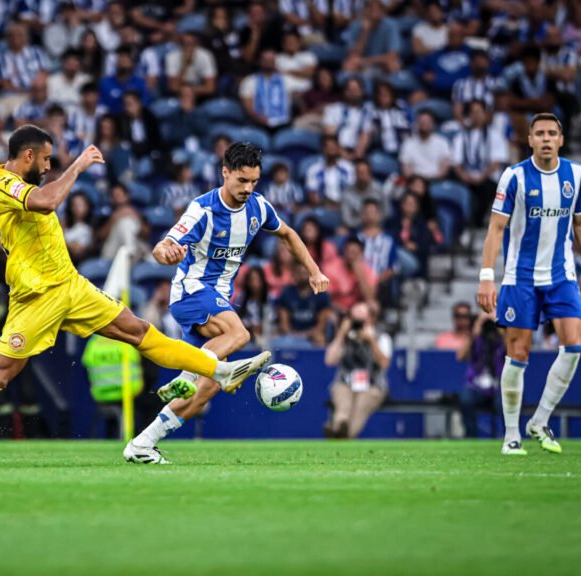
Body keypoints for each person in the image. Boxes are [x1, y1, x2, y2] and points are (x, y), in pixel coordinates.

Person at [0, 127, 271, 466]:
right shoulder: (4, 184)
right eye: (45, 159)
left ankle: (219, 370)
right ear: (28, 155)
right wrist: (77, 165)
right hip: (36, 297)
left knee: (139, 331)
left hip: (70, 286)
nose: (48, 167)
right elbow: (46, 201)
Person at [123, 142, 329, 464]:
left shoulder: (258, 208)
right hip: (191, 291)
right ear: (225, 173)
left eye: (254, 181)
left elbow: (288, 234)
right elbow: (163, 246)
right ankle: (186, 376)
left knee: (207, 389)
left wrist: (314, 271)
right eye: (242, 180)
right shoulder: (202, 210)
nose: (248, 188)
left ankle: (142, 444)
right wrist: (166, 254)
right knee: (240, 334)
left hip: (216, 298)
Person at [478, 112, 581, 456]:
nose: (546, 139)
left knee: (573, 347)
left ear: (561, 140)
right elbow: (496, 229)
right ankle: (511, 436)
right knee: (518, 354)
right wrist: (487, 277)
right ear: (530, 140)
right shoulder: (514, 176)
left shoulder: (576, 174)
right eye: (540, 134)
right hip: (520, 277)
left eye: (552, 133)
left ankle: (540, 420)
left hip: (562, 275)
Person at [324, 301, 392, 439]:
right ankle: (340, 426)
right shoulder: (344, 338)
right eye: (355, 320)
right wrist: (341, 334)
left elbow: (384, 364)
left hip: (372, 385)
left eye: (361, 320)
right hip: (345, 383)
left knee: (360, 407)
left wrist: (371, 341)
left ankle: (340, 432)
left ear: (371, 319)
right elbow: (329, 360)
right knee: (343, 405)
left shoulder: (381, 338)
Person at [457, 313, 506, 438]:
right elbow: (460, 356)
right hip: (476, 386)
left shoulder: (501, 340)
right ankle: (471, 437)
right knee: (466, 398)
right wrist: (475, 332)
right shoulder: (476, 339)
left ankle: (508, 437)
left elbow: (513, 350)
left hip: (499, 387)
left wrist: (499, 326)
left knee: (506, 402)